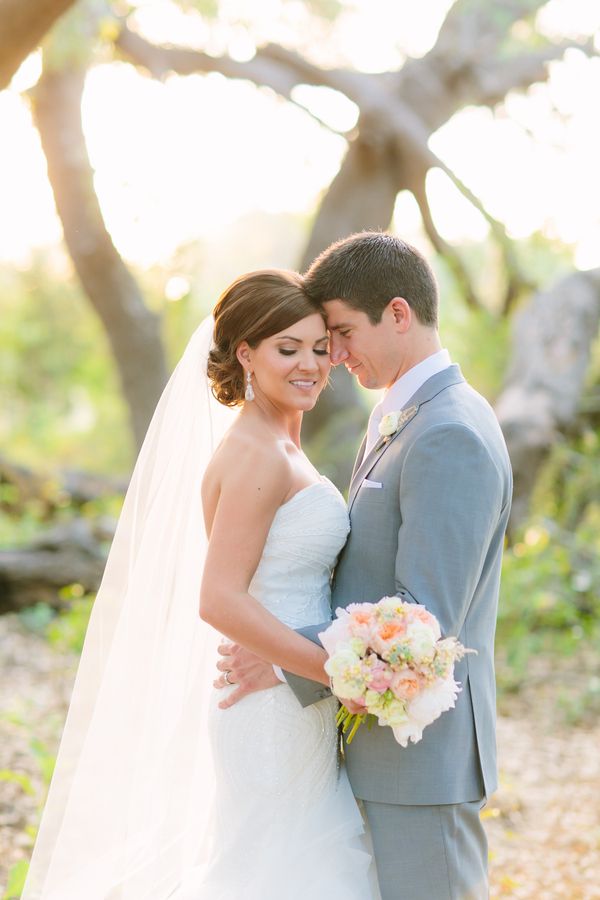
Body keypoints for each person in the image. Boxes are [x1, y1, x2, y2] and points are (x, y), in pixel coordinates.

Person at [21, 269, 375, 899]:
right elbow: (219, 598)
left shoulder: (282, 443)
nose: (311, 364)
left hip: (296, 697)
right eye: (287, 348)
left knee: (293, 859)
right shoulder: (256, 453)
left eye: (320, 347)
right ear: (246, 354)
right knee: (277, 868)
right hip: (268, 706)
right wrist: (334, 669)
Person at [218, 233, 513, 900]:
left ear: (399, 314)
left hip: (420, 765)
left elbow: (423, 626)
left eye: (343, 333)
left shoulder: (449, 433)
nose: (335, 356)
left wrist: (294, 659)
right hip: (376, 752)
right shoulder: (403, 415)